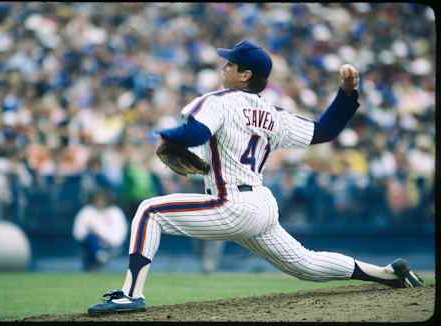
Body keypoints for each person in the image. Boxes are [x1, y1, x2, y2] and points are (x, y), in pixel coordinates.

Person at [87, 40, 423, 314]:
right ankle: (387, 274)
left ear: (245, 74)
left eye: (230, 64)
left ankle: (130, 294)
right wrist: (347, 95)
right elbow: (326, 130)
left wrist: (166, 136)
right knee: (304, 263)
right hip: (261, 203)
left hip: (231, 203)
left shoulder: (217, 101)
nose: (224, 67)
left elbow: (194, 132)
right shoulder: (273, 114)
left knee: (149, 210)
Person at [73, 189, 128, 271]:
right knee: (92, 239)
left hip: (112, 245)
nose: (100, 202)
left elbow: (121, 231)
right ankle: (99, 255)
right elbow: (78, 232)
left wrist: (110, 241)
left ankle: (101, 256)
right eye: (97, 200)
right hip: (90, 245)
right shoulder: (87, 211)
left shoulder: (115, 212)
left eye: (102, 200)